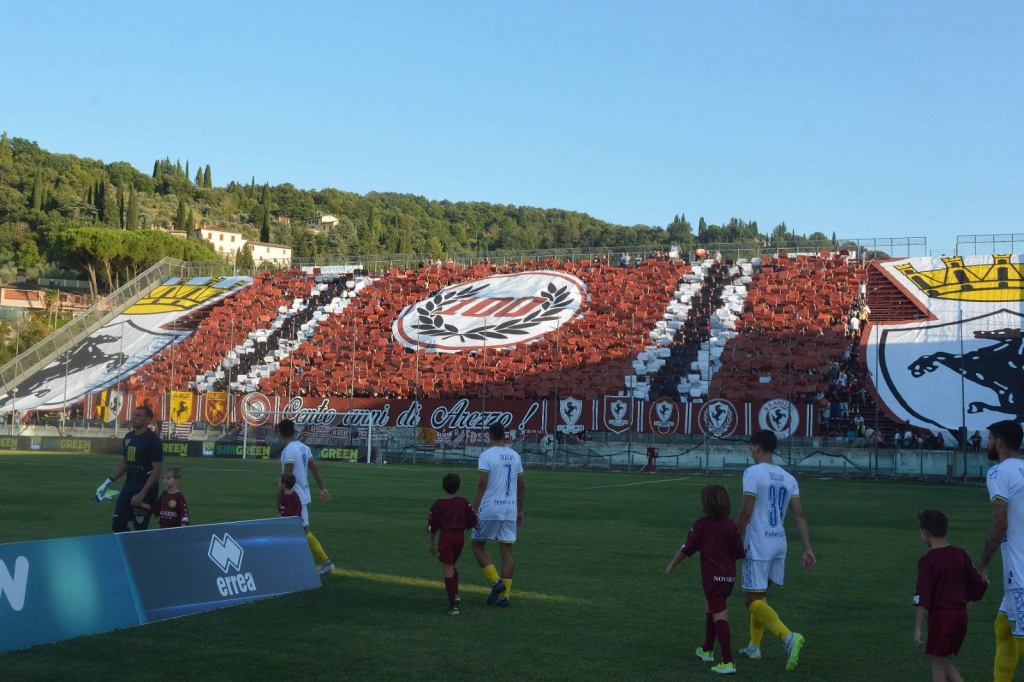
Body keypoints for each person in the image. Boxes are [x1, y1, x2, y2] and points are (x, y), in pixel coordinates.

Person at [736, 429, 815, 672]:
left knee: (751, 600)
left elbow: (746, 512)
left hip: (759, 543)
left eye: (751, 447)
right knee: (760, 596)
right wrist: (807, 549)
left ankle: (789, 637)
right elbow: (799, 514)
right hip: (779, 542)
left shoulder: (752, 473)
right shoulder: (788, 477)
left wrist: (732, 539)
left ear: (758, 447)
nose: (750, 451)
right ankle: (753, 646)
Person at [666, 484, 745, 675]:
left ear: (706, 504)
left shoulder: (701, 525)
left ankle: (728, 661)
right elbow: (740, 552)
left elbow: (687, 548)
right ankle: (707, 649)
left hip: (713, 579)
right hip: (728, 578)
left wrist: (672, 564)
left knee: (720, 615)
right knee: (711, 608)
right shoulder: (731, 526)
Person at [914, 509, 987, 682]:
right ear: (946, 531)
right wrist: (985, 581)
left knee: (937, 667)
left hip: (941, 617)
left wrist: (918, 628)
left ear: (925, 534)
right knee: (941, 662)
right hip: (961, 616)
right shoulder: (960, 554)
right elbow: (978, 584)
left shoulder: (927, 561)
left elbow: (922, 597)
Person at [980, 420, 1024, 681]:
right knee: (1003, 628)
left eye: (989, 438)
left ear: (998, 442)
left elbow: (1000, 522)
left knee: (1021, 640)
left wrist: (983, 562)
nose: (987, 443)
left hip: (1019, 573)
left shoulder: (999, 473)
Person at [471, 423, 524, 608]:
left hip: (490, 508)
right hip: (510, 508)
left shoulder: (486, 455)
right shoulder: (515, 456)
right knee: (507, 553)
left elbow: (482, 483)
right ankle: (505, 596)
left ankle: (496, 582)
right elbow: (522, 485)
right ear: (505, 436)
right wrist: (519, 510)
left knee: (477, 545)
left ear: (489, 436)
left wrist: (473, 509)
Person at [278, 419, 335, 576]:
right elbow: (315, 470)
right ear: (294, 431)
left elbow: (287, 476)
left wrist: (280, 496)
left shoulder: (288, 451)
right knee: (291, 530)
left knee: (303, 530)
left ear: (280, 433)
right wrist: (322, 488)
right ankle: (293, 563)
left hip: (294, 497)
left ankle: (326, 562)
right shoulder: (304, 448)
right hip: (302, 494)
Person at [94, 406, 164, 533]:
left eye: (138, 416)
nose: (134, 418)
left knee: (140, 529)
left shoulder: (154, 440)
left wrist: (142, 494)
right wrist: (107, 482)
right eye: (134, 414)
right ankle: (132, 548)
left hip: (145, 490)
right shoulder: (128, 437)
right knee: (117, 526)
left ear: (147, 419)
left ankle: (139, 550)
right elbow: (124, 463)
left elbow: (157, 470)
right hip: (128, 487)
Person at [427, 473, 478, 616]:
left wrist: (430, 542)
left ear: (443, 486)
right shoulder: (462, 502)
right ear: (458, 487)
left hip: (446, 538)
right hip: (460, 538)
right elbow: (474, 520)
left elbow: (433, 525)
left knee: (448, 570)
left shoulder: (438, 504)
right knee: (451, 565)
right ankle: (455, 594)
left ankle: (453, 606)